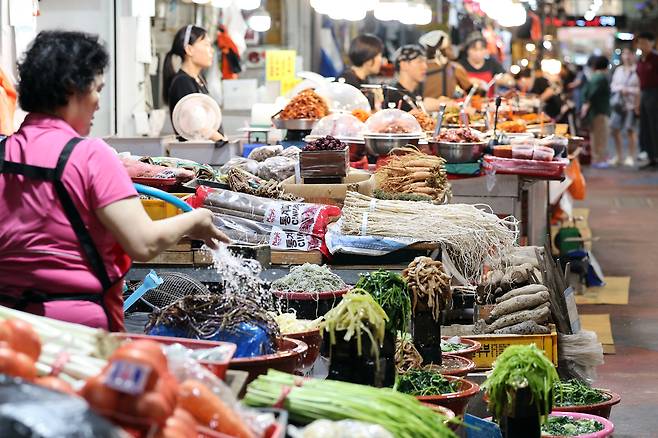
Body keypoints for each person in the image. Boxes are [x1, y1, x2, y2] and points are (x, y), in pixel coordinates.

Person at [0, 31, 228, 332]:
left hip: (9, 330)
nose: (98, 103)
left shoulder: (5, 151)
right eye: (97, 89)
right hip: (78, 333)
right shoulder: (89, 156)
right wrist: (196, 219)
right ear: (73, 88)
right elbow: (144, 243)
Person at [163, 25, 226, 142]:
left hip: (207, 151)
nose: (211, 50)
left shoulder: (199, 79)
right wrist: (221, 141)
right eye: (206, 45)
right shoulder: (182, 82)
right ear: (189, 50)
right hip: (195, 155)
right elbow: (197, 125)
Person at [385, 45, 443, 112]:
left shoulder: (412, 93)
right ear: (404, 65)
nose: (425, 66)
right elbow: (422, 105)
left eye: (425, 62)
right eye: (419, 62)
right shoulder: (393, 95)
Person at [419, 30, 474, 100]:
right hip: (447, 108)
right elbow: (471, 90)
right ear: (440, 51)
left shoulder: (418, 69)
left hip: (422, 109)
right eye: (449, 47)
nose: (451, 50)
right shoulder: (454, 67)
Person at [609, 48, 640, 167]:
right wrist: (621, 89)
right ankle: (618, 156)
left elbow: (640, 89)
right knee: (614, 128)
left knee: (630, 130)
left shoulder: (637, 71)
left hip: (631, 105)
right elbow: (613, 86)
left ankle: (631, 156)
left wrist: (629, 91)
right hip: (619, 105)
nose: (626, 56)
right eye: (624, 53)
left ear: (633, 55)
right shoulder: (619, 70)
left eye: (629, 54)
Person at [580, 55, 611, 168]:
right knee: (601, 135)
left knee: (595, 136)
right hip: (600, 110)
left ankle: (596, 158)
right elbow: (592, 94)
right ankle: (599, 159)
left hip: (594, 112)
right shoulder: (601, 77)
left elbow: (585, 93)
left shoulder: (593, 77)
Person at [458, 33, 512, 97]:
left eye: (481, 49)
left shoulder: (492, 63)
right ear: (467, 50)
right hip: (466, 104)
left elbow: (510, 81)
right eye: (474, 49)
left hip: (488, 103)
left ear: (486, 50)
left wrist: (505, 80)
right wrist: (467, 82)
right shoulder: (460, 65)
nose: (478, 53)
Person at [636, 32, 658, 169]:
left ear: (652, 43)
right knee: (645, 128)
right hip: (644, 94)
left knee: (655, 126)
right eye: (640, 42)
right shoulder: (640, 60)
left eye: (645, 42)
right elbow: (640, 82)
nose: (642, 45)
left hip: (655, 93)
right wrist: (638, 102)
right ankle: (651, 157)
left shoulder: (656, 59)